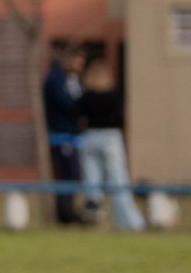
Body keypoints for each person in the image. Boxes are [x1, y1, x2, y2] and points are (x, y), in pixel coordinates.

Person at [77, 58, 145, 232]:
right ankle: (129, 222)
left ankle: (93, 217)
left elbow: (77, 117)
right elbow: (121, 118)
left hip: (90, 137)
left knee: (92, 182)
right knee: (118, 180)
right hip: (110, 138)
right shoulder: (114, 96)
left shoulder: (85, 97)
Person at [42, 43, 88, 225]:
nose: (80, 65)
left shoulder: (73, 78)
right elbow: (68, 104)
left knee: (75, 175)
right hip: (62, 135)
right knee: (68, 174)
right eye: (77, 61)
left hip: (74, 134)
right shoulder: (55, 78)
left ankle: (70, 212)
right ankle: (65, 214)